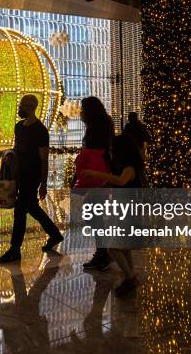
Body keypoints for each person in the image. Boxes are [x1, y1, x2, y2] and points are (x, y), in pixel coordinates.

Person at [0, 95, 63, 263]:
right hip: (19, 174)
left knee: (20, 211)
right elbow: (16, 148)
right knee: (32, 207)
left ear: (32, 107)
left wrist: (43, 183)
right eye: (20, 104)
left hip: (32, 176)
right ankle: (55, 234)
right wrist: (10, 155)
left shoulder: (40, 131)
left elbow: (43, 159)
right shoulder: (19, 127)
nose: (20, 107)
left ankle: (15, 249)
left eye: (23, 105)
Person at [82, 134, 144, 297]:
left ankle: (130, 279)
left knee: (112, 248)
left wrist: (95, 173)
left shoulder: (130, 168)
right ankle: (132, 278)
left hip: (128, 212)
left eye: (113, 149)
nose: (110, 152)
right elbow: (112, 182)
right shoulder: (124, 167)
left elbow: (120, 181)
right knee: (123, 248)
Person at [73, 97, 114, 272]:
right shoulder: (101, 124)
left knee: (94, 216)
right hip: (99, 175)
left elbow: (97, 152)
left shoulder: (98, 128)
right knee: (94, 216)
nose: (80, 112)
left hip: (97, 177)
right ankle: (102, 252)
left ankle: (103, 253)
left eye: (83, 109)